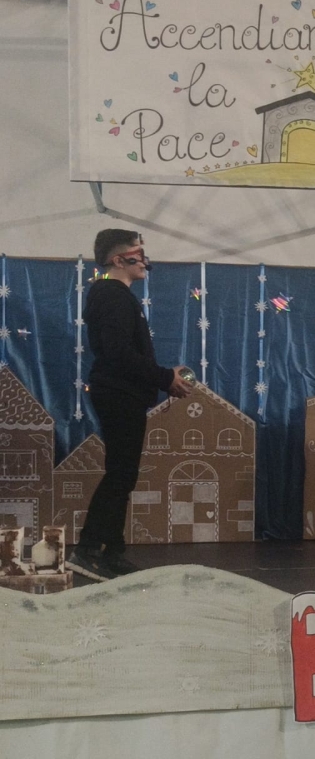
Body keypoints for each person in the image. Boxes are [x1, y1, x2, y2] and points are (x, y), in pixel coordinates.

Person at [67, 230, 191, 582]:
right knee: (120, 474)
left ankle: (112, 552)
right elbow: (118, 352)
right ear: (119, 259)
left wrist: (162, 378)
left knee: (123, 474)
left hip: (123, 393)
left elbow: (121, 352)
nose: (145, 261)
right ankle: (89, 550)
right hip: (119, 394)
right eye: (139, 254)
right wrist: (164, 377)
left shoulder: (114, 296)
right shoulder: (112, 295)